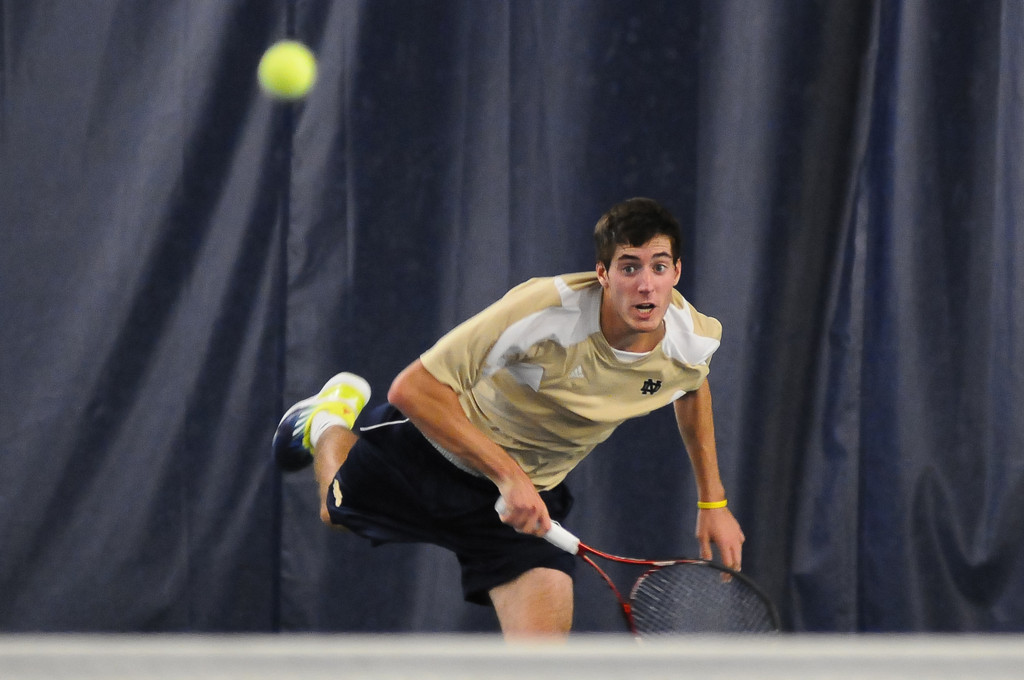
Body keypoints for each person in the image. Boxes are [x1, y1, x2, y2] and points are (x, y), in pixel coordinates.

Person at [272, 197, 745, 638]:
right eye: (629, 267)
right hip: (434, 451)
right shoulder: (543, 312)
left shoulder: (691, 341)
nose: (646, 284)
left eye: (659, 267)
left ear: (676, 272)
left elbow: (690, 386)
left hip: (522, 506)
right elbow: (412, 388)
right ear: (602, 273)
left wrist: (713, 502)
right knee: (332, 512)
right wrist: (506, 473)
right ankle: (327, 419)